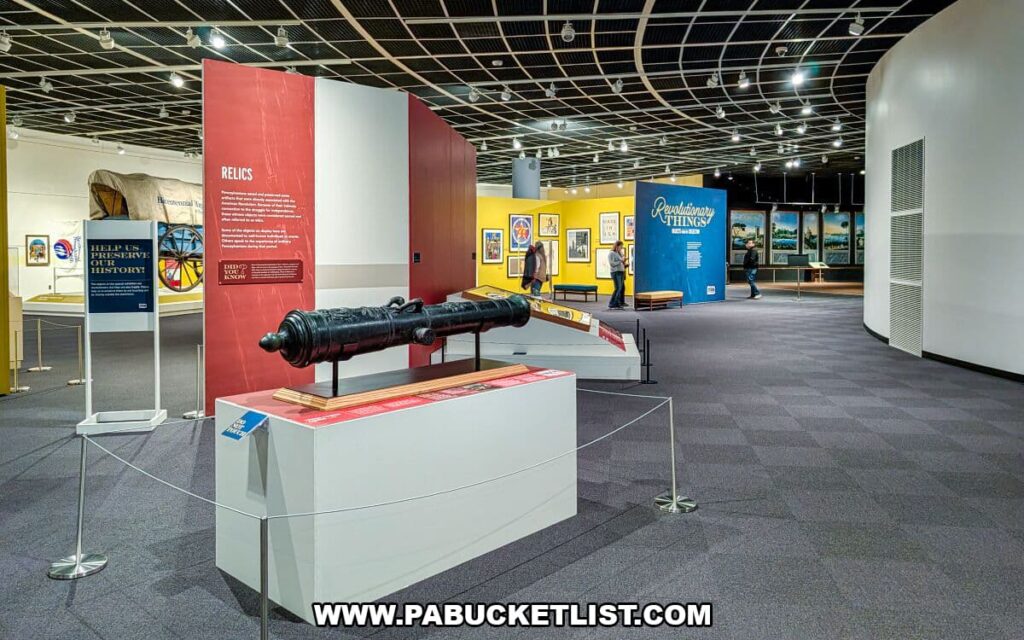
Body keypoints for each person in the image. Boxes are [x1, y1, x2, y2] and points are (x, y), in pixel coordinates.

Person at [608, 240, 628, 309]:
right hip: (616, 272)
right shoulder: (611, 253)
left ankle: (618, 302)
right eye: (620, 247)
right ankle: (612, 303)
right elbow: (612, 264)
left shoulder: (619, 253)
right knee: (618, 288)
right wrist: (620, 261)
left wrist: (625, 263)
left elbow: (621, 263)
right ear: (616, 246)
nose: (621, 248)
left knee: (621, 288)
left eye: (622, 247)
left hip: (621, 272)